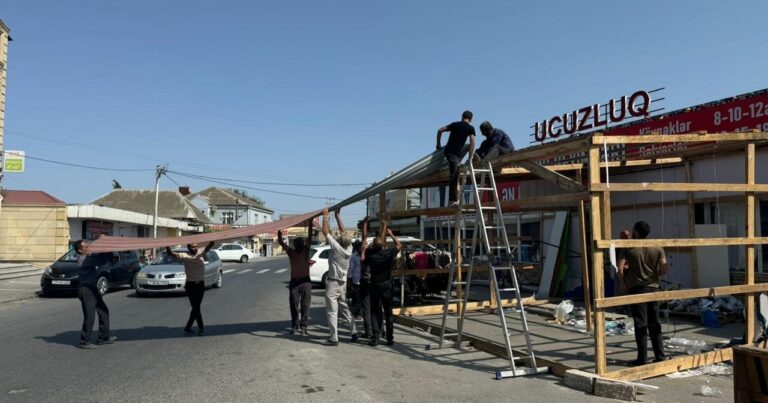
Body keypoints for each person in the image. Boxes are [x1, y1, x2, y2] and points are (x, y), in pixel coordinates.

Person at [617, 221, 669, 365]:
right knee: (654, 323)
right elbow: (664, 269)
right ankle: (660, 356)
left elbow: (620, 269)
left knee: (640, 324)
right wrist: (655, 275)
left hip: (637, 289)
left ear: (636, 233)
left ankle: (642, 358)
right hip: (654, 288)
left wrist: (623, 284)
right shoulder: (657, 246)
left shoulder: (629, 248)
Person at [361, 216, 402, 346]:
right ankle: (390, 338)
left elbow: (362, 257)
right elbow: (399, 245)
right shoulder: (388, 253)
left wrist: (365, 225)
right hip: (386, 286)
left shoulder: (371, 254)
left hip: (374, 286)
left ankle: (376, 337)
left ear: (373, 245)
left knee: (374, 311)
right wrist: (391, 234)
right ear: (382, 245)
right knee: (388, 312)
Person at [321, 208, 357, 346]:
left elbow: (325, 232)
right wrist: (337, 216)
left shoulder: (337, 248)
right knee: (344, 308)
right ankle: (353, 331)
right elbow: (344, 233)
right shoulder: (349, 249)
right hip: (342, 284)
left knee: (332, 311)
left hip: (333, 283)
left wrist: (325, 216)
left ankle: (334, 337)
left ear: (339, 242)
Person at [74, 240, 117, 349]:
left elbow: (98, 257)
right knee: (89, 316)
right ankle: (84, 341)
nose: (89, 248)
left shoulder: (87, 258)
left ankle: (103, 338)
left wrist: (107, 249)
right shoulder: (83, 260)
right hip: (86, 290)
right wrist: (109, 250)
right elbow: (100, 260)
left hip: (92, 288)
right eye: (86, 247)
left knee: (103, 311)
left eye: (88, 246)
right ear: (80, 250)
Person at [166, 241, 215, 336]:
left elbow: (209, 246)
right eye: (192, 247)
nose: (195, 248)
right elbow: (171, 254)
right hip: (190, 285)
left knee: (196, 307)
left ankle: (188, 327)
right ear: (188, 248)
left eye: (196, 246)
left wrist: (212, 240)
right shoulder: (184, 255)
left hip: (200, 284)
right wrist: (167, 246)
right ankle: (201, 328)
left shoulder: (201, 252)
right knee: (196, 307)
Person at [436, 111, 476, 206]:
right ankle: (452, 200)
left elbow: (440, 130)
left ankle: (459, 161)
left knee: (465, 149)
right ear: (471, 120)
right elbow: (472, 142)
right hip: (453, 154)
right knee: (454, 174)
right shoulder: (471, 128)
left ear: (462, 117)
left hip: (449, 151)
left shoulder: (455, 124)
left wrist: (438, 144)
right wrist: (470, 158)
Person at [278, 229, 312, 335]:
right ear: (295, 245)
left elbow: (310, 238)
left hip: (306, 282)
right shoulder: (291, 253)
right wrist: (279, 231)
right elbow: (281, 242)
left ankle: (303, 326)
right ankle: (294, 325)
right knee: (293, 305)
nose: (299, 245)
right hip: (294, 283)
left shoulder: (306, 251)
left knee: (305, 305)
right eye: (297, 244)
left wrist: (310, 225)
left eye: (300, 243)